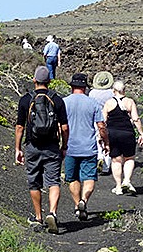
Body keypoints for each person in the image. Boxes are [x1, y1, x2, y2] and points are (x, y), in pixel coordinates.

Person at [15, 66, 69, 234]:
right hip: (52, 146)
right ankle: (52, 213)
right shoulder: (57, 100)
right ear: (49, 81)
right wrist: (64, 146)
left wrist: (17, 148)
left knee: (34, 181)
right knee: (53, 181)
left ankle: (38, 217)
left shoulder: (25, 100)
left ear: (34, 81)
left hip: (32, 146)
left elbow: (19, 127)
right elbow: (65, 127)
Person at [63, 73, 107, 221]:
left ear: (72, 87)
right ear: (85, 87)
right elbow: (101, 126)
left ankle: (77, 206)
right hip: (88, 147)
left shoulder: (64, 102)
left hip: (70, 147)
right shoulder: (92, 103)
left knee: (73, 178)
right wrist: (105, 142)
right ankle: (84, 201)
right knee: (89, 177)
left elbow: (59, 126)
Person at [102, 80, 143, 195]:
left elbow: (103, 121)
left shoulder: (109, 103)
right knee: (129, 158)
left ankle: (118, 187)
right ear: (124, 90)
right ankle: (126, 180)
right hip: (127, 133)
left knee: (116, 160)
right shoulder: (130, 102)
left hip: (113, 133)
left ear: (113, 91)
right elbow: (136, 119)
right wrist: (141, 134)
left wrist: (101, 136)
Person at [89, 71, 115, 174]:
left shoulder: (92, 93)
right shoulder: (111, 93)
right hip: (109, 118)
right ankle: (106, 165)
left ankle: (98, 157)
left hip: (95, 118)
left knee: (97, 139)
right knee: (107, 140)